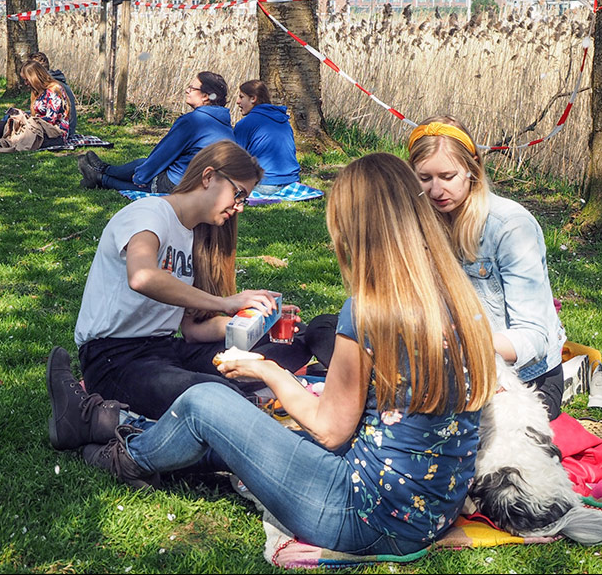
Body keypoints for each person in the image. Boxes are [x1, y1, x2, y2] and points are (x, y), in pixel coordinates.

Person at [54, 152, 497, 557]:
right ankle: (118, 432)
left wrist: (265, 369)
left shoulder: (369, 311)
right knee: (244, 429)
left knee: (206, 402)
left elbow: (330, 431)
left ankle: (122, 455)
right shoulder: (457, 297)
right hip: (434, 509)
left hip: (365, 515)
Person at [49, 140, 336, 423]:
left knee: (304, 337)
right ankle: (91, 420)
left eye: (244, 199)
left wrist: (258, 322)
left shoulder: (198, 235)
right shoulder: (149, 214)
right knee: (217, 396)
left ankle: (354, 390)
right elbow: (141, 276)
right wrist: (225, 303)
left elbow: (192, 331)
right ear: (209, 177)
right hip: (114, 359)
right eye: (238, 194)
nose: (240, 207)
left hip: (166, 350)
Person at [408, 116, 567, 419]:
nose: (436, 190)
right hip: (449, 369)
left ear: (472, 168)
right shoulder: (419, 223)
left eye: (447, 176)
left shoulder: (510, 226)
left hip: (524, 379)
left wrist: (458, 341)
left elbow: (534, 337)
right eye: (425, 179)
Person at [79, 72, 234, 192]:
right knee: (144, 165)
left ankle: (100, 177)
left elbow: (164, 153)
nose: (187, 90)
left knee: (146, 172)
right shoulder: (225, 123)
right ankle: (104, 169)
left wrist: (141, 177)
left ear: (206, 96)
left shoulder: (193, 121)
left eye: (192, 88)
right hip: (213, 184)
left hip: (183, 183)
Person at [233, 79, 300, 193]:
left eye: (241, 97)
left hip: (266, 184)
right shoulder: (283, 120)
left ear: (253, 98)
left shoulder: (245, 123)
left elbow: (234, 159)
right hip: (292, 182)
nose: (237, 101)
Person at [28, 51, 78, 142]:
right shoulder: (45, 85)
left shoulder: (54, 88)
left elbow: (52, 118)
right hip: (52, 123)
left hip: (60, 129)